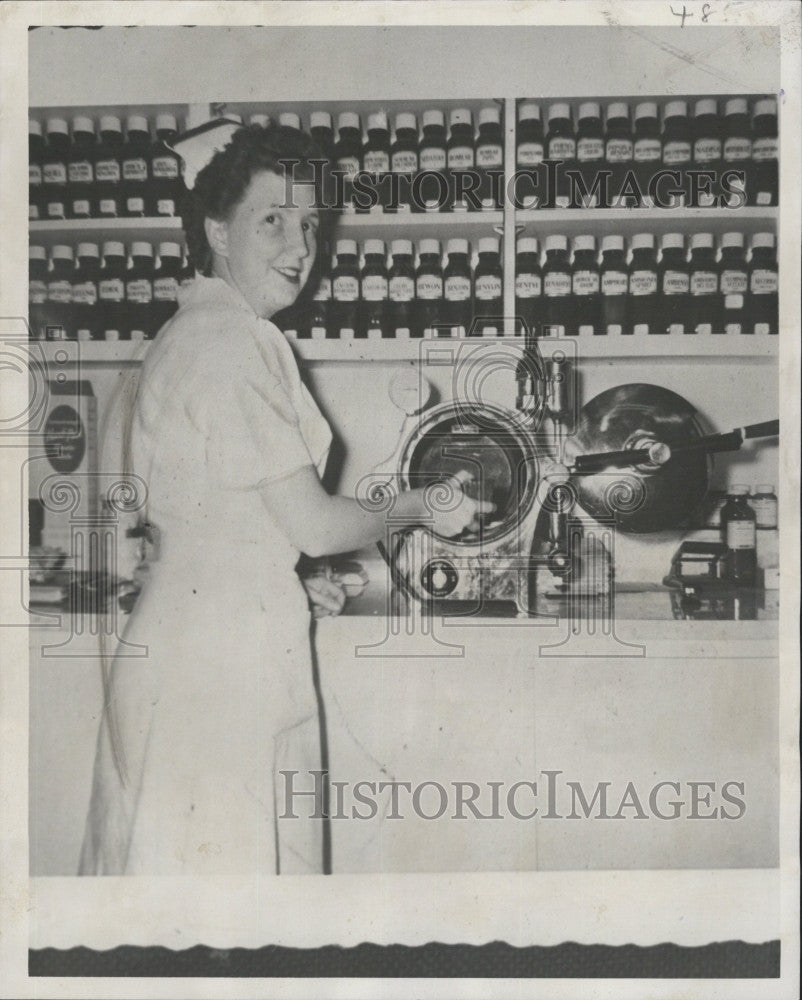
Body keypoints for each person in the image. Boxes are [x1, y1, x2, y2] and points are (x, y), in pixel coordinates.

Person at [79, 120, 491, 877]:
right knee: (226, 911)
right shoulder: (234, 341)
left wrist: (286, 577)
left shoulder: (191, 331)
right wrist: (420, 504)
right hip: (219, 671)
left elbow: (216, 515)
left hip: (193, 643)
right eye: (272, 219)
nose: (301, 246)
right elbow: (315, 522)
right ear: (216, 231)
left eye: (310, 224)